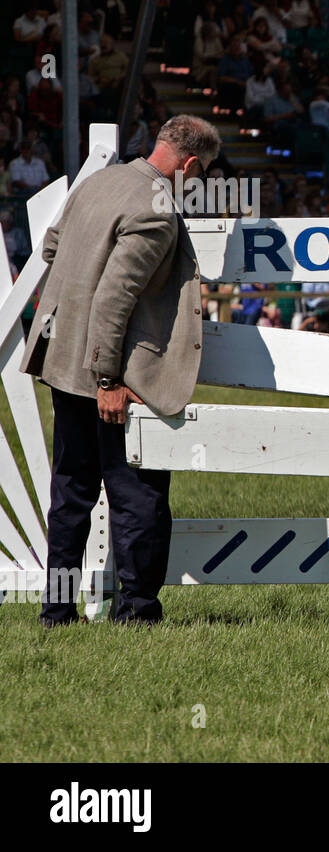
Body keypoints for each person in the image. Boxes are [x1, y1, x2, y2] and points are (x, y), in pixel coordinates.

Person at [22, 115, 220, 626]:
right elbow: (115, 297)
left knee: (71, 495)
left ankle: (57, 612)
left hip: (62, 363)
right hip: (112, 376)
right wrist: (108, 379)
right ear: (191, 164)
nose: (196, 185)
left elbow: (50, 247)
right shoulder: (157, 212)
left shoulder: (99, 181)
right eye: (199, 176)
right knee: (139, 499)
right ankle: (136, 613)